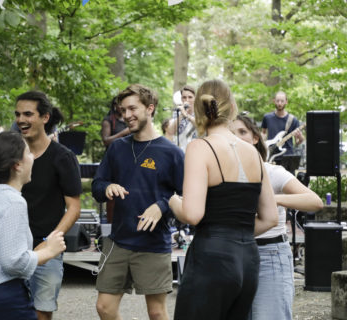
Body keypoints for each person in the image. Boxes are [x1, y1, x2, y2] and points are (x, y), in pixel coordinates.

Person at [169, 79, 278, 320]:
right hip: (248, 259)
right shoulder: (253, 152)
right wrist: (237, 235)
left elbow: (193, 214)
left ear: (197, 109)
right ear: (232, 107)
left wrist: (172, 201)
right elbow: (270, 218)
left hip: (212, 256)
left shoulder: (200, 148)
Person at [92, 84, 184, 320]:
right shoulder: (117, 149)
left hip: (153, 244)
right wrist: (107, 187)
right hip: (119, 240)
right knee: (104, 307)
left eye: (132, 108)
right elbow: (97, 186)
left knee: (156, 312)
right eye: (123, 110)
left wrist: (162, 205)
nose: (126, 115)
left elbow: (186, 198)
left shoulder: (172, 153)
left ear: (150, 108)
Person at [0, 132, 66, 320]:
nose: (33, 157)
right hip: (5, 302)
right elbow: (14, 262)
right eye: (29, 153)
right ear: (17, 165)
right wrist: (49, 251)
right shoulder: (13, 202)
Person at [233, 114, 323, 320]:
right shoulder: (221, 173)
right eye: (231, 133)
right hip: (234, 254)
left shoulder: (272, 171)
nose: (236, 138)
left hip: (270, 254)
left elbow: (315, 201)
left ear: (256, 138)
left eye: (242, 132)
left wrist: (274, 199)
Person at [14, 91, 82, 320]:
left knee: (40, 313)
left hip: (46, 250)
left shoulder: (63, 157)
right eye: (17, 114)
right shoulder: (12, 154)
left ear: (45, 117)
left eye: (27, 114)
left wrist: (50, 243)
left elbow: (73, 207)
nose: (21, 119)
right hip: (11, 248)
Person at [261, 91, 304, 162]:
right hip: (271, 156)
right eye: (277, 101)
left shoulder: (293, 120)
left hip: (287, 157)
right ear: (274, 101)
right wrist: (262, 144)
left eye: (282, 101)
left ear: (286, 102)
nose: (279, 103)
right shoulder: (267, 117)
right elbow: (263, 133)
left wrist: (300, 137)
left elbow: (297, 142)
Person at [167, 85, 197, 151]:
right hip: (181, 150)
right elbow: (171, 132)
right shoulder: (178, 112)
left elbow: (200, 125)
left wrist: (187, 115)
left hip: (197, 149)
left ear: (195, 98)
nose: (187, 100)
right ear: (181, 99)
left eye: (190, 97)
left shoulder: (199, 112)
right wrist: (181, 115)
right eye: (184, 97)